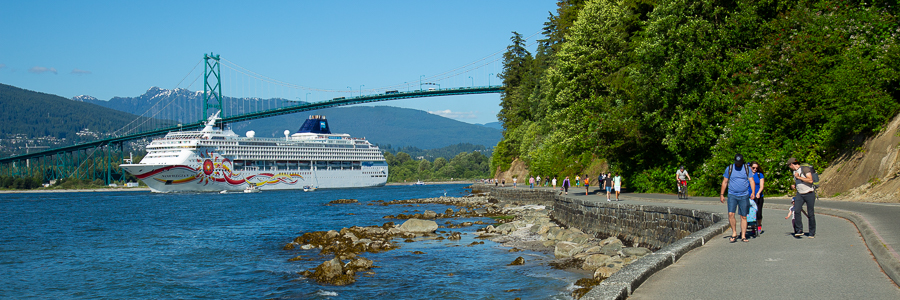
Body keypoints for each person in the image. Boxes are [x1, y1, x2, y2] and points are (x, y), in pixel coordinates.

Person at [719, 154, 756, 243]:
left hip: (744, 195)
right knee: (731, 214)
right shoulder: (730, 168)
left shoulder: (747, 169)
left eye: (739, 163)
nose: (738, 164)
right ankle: (734, 233)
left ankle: (743, 235)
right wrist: (722, 194)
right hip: (732, 194)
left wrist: (753, 193)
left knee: (743, 216)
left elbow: (751, 181)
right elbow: (725, 181)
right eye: (737, 163)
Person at [787, 157, 816, 238]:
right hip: (800, 193)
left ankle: (811, 232)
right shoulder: (794, 172)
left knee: (810, 213)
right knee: (797, 210)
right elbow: (799, 182)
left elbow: (810, 180)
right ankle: (799, 229)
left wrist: (799, 177)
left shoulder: (805, 169)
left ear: (792, 164)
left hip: (809, 193)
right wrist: (794, 185)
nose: (789, 167)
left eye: (789, 166)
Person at [748, 161, 765, 232]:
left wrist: (758, 193)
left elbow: (762, 186)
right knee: (751, 212)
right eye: (753, 168)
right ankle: (752, 226)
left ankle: (759, 225)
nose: (755, 169)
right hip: (749, 196)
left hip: (758, 196)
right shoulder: (747, 175)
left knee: (758, 212)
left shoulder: (759, 175)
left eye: (756, 168)